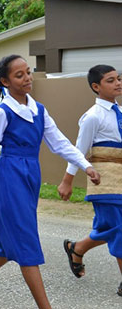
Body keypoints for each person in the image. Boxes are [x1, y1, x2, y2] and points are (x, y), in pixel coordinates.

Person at [0, 55, 101, 309]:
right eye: (19, 75)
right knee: (25, 239)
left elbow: (60, 143)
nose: (27, 78)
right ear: (5, 81)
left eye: (28, 72)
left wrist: (85, 165)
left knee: (11, 237)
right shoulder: (4, 112)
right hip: (10, 175)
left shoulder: (39, 110)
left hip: (31, 175)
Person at [57, 64, 122, 296]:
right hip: (103, 183)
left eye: (119, 78)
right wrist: (67, 180)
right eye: (110, 80)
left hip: (121, 181)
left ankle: (77, 247)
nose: (118, 83)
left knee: (111, 227)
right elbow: (78, 150)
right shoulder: (92, 117)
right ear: (96, 86)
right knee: (119, 229)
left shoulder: (121, 112)